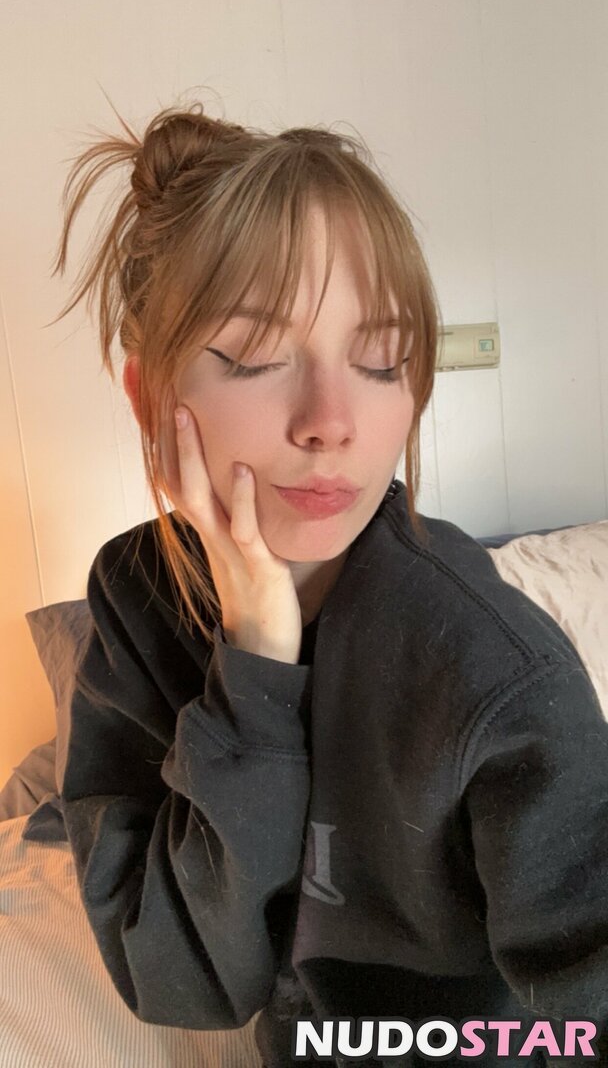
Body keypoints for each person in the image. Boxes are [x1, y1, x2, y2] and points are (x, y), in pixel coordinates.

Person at [50, 97, 608, 1068]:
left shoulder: (495, 668)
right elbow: (184, 982)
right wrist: (255, 670)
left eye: (381, 361)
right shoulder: (136, 598)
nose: (331, 421)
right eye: (256, 357)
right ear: (149, 392)